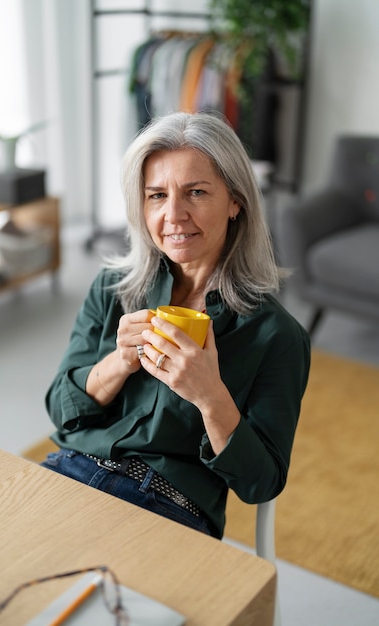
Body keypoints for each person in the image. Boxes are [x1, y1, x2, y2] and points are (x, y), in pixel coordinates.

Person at [41, 111, 310, 539]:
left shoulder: (277, 336)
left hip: (171, 505)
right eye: (156, 195)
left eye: (196, 192)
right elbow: (60, 409)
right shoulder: (114, 287)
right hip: (71, 470)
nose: (173, 215)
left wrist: (210, 396)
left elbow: (261, 483)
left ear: (236, 200)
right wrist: (120, 362)